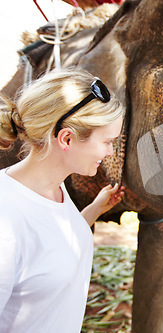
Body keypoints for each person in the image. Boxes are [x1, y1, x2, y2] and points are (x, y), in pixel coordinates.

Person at [0, 68, 125, 332]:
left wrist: (94, 210)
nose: (111, 152)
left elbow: (46, 246)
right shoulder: (5, 223)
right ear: (66, 138)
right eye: (107, 141)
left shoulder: (51, 186)